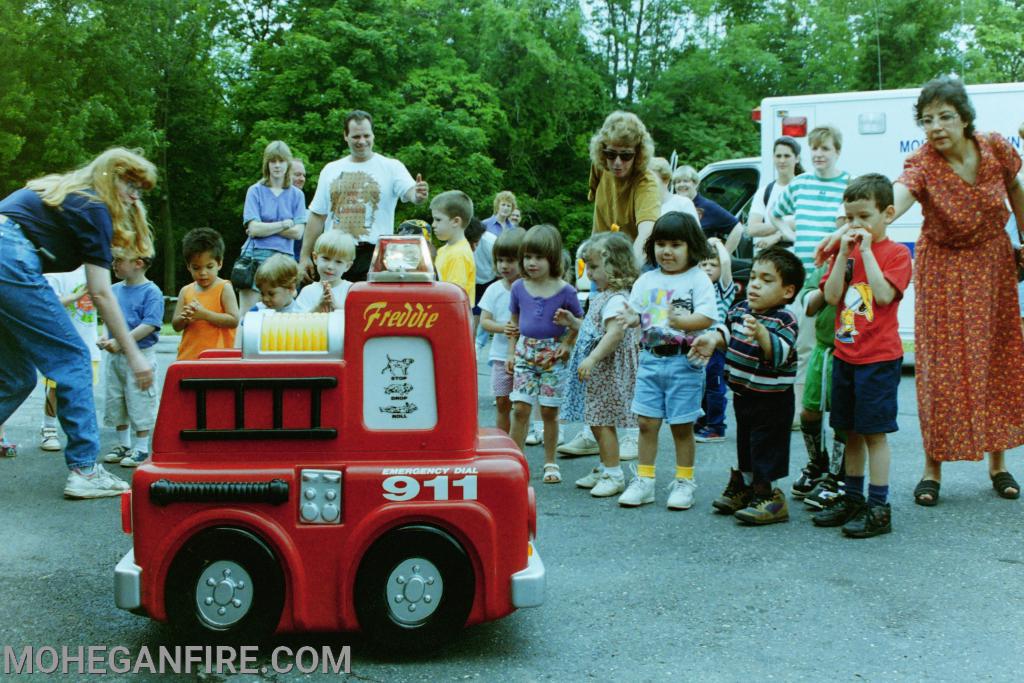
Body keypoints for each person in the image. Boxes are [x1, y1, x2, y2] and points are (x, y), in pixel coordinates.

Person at [889, 76, 1023, 504]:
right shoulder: (924, 163)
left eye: (945, 117)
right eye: (927, 120)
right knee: (940, 366)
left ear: (965, 119)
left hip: (992, 262)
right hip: (943, 268)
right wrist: (873, 215)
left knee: (995, 357)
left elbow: (1016, 188)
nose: (936, 127)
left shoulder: (996, 147)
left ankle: (998, 464)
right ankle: (932, 469)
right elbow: (902, 192)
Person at [0, 147, 156, 498]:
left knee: (15, 378)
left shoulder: (65, 192)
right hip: (8, 257)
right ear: (107, 175)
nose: (134, 194)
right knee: (72, 359)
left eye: (140, 188)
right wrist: (134, 355)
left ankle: (85, 468)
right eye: (128, 183)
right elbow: (101, 293)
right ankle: (85, 469)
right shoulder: (94, 206)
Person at [809, 174, 911, 537]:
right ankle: (852, 497)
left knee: (873, 434)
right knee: (848, 430)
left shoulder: (897, 254)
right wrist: (843, 255)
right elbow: (834, 297)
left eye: (864, 217)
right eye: (850, 218)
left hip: (878, 359)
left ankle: (878, 506)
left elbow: (883, 297)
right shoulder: (843, 250)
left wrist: (867, 251)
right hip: (847, 355)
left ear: (887, 213)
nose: (857, 225)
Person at [691, 246, 804, 524]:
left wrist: (763, 334)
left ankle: (770, 496)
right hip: (744, 393)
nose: (755, 284)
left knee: (767, 446)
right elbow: (728, 332)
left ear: (787, 291)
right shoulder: (740, 308)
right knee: (747, 443)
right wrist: (713, 340)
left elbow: (778, 353)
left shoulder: (784, 319)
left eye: (766, 280)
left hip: (773, 398)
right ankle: (747, 485)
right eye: (753, 277)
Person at [615, 212, 717, 510]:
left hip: (684, 362)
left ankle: (684, 482)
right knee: (646, 423)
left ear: (691, 247)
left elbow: (708, 317)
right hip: (650, 360)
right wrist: (632, 318)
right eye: (661, 244)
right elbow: (636, 314)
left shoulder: (698, 279)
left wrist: (683, 320)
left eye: (675, 244)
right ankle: (644, 481)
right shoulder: (646, 280)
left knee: (682, 426)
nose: (667, 251)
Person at [772, 125, 850, 426]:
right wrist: (789, 234)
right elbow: (775, 213)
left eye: (825, 148)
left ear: (837, 152)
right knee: (803, 344)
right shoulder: (800, 183)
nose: (819, 154)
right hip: (803, 274)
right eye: (815, 148)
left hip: (835, 274)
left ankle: (836, 405)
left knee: (841, 340)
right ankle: (801, 409)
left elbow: (853, 219)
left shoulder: (847, 183)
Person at [300, 110, 429, 283]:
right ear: (345, 136)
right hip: (334, 254)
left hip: (374, 254)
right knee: (329, 305)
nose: (362, 141)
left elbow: (411, 193)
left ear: (373, 135)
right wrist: (304, 257)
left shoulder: (391, 166)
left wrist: (418, 194)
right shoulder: (330, 169)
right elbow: (317, 215)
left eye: (366, 135)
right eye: (356, 137)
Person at [557, 232, 640, 498]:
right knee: (596, 420)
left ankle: (613, 474)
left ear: (615, 266)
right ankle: (606, 465)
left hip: (607, 368)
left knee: (602, 422)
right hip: (600, 369)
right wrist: (574, 323)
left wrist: (592, 358)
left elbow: (615, 334)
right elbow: (596, 330)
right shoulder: (605, 296)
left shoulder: (616, 299)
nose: (589, 274)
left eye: (594, 267)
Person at [507, 225, 583, 484]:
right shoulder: (518, 287)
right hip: (525, 353)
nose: (531, 263)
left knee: (549, 412)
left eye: (538, 257)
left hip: (553, 356)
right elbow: (514, 321)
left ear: (552, 258)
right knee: (519, 409)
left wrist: (568, 343)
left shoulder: (566, 291)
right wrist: (510, 352)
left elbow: (578, 322)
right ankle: (516, 462)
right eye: (527, 257)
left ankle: (550, 461)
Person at [99, 248, 163, 468]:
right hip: (116, 357)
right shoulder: (114, 290)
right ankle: (123, 444)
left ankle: (142, 446)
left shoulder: (151, 291)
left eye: (118, 260)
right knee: (116, 399)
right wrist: (105, 338)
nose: (113, 264)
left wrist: (122, 340)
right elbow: (110, 321)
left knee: (140, 400)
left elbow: (150, 323)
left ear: (138, 263)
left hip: (140, 355)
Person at [792, 258, 845, 512]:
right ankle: (817, 463)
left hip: (850, 351)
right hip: (822, 349)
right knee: (809, 409)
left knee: (843, 417)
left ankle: (838, 474)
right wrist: (832, 279)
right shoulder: (827, 266)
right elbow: (810, 306)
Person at [238, 140, 307, 312]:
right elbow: (253, 229)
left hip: (285, 259)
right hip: (256, 257)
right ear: (266, 164)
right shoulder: (255, 191)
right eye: (272, 161)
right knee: (249, 316)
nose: (277, 166)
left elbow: (298, 233)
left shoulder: (297, 195)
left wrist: (265, 227)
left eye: (281, 161)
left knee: (284, 315)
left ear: (288, 164)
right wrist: (284, 224)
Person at [39, 266, 100, 452]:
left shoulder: (93, 270)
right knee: (55, 390)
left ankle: (80, 438)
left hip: (89, 344)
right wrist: (76, 296)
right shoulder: (55, 272)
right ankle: (48, 428)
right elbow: (46, 305)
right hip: (61, 345)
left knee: (84, 392)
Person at [587, 111, 661, 262]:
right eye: (611, 154)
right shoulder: (599, 167)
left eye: (626, 155)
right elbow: (592, 194)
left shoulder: (646, 183)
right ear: (602, 151)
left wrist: (629, 270)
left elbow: (646, 234)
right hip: (599, 255)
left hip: (633, 258)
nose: (617, 163)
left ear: (638, 153)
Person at [478, 227, 526, 434]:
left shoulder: (529, 288)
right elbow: (485, 322)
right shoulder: (494, 289)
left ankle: (522, 437)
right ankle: (502, 438)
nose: (504, 266)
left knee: (523, 403)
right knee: (502, 401)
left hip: (526, 354)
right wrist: (502, 327)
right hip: (499, 356)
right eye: (500, 260)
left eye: (510, 261)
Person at [173, 228, 240, 360]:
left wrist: (204, 314)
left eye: (209, 267)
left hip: (217, 359)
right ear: (188, 266)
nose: (203, 273)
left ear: (219, 263)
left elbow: (234, 320)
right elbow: (176, 325)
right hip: (189, 357)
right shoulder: (186, 291)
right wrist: (185, 318)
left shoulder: (224, 288)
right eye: (196, 268)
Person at [693, 237, 736, 443]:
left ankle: (716, 426)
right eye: (704, 265)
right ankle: (703, 421)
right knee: (699, 384)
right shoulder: (696, 289)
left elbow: (726, 263)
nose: (708, 269)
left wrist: (717, 244)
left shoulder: (723, 290)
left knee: (714, 385)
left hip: (715, 344)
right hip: (696, 344)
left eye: (713, 265)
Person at [743, 136, 804, 253]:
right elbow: (752, 229)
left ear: (797, 159)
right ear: (773, 158)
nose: (782, 160)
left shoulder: (805, 189)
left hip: (798, 257)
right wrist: (790, 225)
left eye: (787, 156)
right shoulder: (764, 192)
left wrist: (776, 236)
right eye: (778, 156)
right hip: (767, 258)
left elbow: (807, 226)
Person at [431, 190, 476, 306]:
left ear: (456, 221)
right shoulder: (443, 250)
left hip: (454, 318)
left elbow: (453, 297)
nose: (433, 224)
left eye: (438, 220)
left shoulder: (459, 255)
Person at [673, 165, 740, 242]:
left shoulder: (708, 206)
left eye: (685, 181)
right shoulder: (673, 205)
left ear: (695, 183)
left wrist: (724, 253)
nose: (681, 184)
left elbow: (737, 228)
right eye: (678, 182)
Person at [295, 230, 355, 313]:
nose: (330, 266)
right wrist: (318, 307)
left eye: (338, 262)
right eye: (326, 258)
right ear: (315, 258)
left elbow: (358, 319)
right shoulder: (308, 291)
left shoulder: (352, 291)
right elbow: (298, 321)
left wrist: (336, 306)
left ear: (347, 266)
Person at [647, 157, 699, 223]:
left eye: (651, 180)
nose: (646, 184)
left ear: (666, 180)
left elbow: (694, 232)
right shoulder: (643, 206)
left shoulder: (683, 204)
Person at [291, 157, 308, 261]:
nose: (302, 179)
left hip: (296, 265)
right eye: (297, 175)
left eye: (303, 175)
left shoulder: (307, 212)